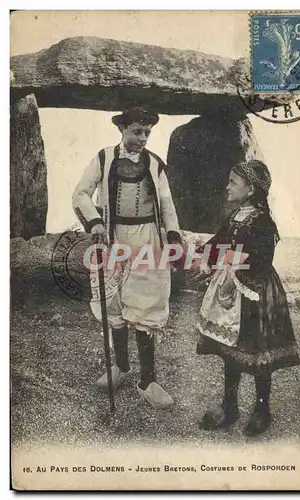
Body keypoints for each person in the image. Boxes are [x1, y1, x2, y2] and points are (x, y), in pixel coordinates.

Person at [72, 107, 182, 409]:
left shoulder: (155, 164)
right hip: (111, 237)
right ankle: (119, 366)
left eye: (147, 132)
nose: (143, 137)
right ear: (122, 130)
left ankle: (148, 381)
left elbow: (167, 203)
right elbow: (81, 194)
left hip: (147, 239)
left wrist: (172, 234)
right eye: (137, 131)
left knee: (146, 304)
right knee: (114, 301)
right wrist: (94, 222)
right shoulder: (104, 159)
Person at [194, 159, 300, 436]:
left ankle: (262, 409)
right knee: (231, 349)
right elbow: (219, 241)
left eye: (233, 182)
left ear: (251, 189)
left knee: (257, 353)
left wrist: (231, 276)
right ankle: (230, 407)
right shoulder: (235, 215)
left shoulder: (263, 222)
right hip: (231, 286)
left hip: (255, 291)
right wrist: (203, 257)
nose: (227, 187)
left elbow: (261, 260)